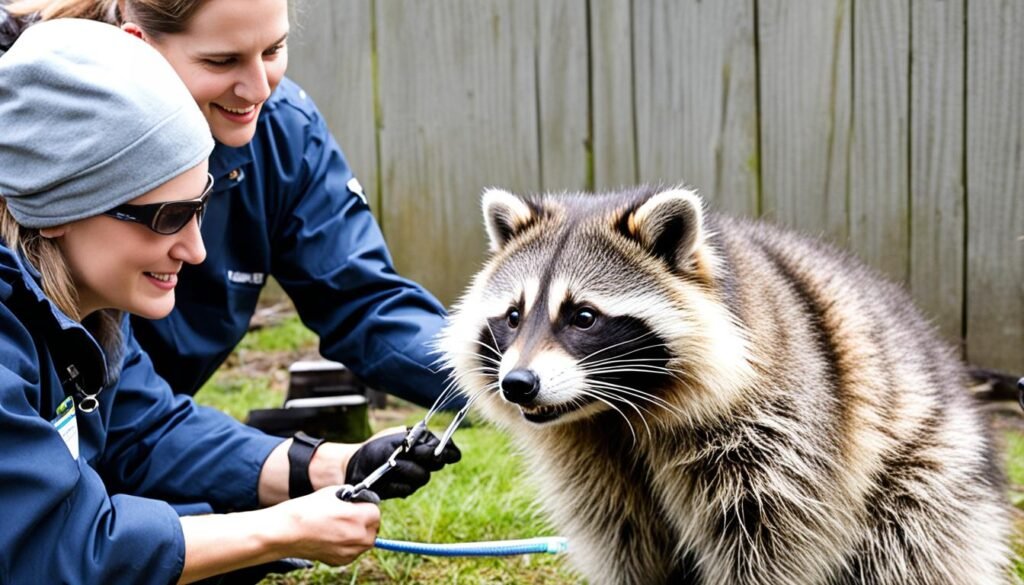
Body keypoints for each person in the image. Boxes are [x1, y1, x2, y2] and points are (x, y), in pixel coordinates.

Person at [0, 18, 458, 584]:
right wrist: (276, 531)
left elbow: (144, 430)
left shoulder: (79, 310)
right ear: (61, 205)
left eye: (200, 209)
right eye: (168, 218)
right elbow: (55, 550)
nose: (195, 251)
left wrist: (326, 466)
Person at [3, 0, 459, 410]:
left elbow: (361, 299)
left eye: (273, 50)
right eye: (222, 60)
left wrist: (495, 375)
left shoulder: (283, 135)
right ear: (139, 45)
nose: (259, 90)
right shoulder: (34, 130)